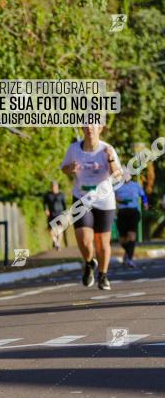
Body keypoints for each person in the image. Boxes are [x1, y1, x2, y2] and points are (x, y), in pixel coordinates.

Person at [60, 124, 122, 290]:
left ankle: (103, 275)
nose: (90, 129)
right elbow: (63, 168)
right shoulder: (74, 148)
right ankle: (89, 263)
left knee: (101, 243)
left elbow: (118, 175)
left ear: (100, 129)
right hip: (81, 198)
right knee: (83, 238)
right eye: (87, 126)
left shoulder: (107, 149)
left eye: (94, 126)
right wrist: (70, 168)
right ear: (82, 128)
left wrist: (110, 159)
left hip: (104, 200)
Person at [114, 167, 148, 268]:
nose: (125, 176)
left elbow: (143, 195)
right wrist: (117, 199)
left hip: (133, 212)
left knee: (132, 235)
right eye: (123, 174)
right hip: (122, 213)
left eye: (127, 174)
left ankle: (129, 259)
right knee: (122, 240)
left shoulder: (136, 185)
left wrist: (145, 203)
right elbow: (111, 197)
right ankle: (127, 254)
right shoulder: (116, 187)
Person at [43, 181, 68, 250]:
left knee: (60, 229)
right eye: (52, 186)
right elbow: (44, 203)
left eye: (54, 186)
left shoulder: (61, 195)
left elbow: (64, 205)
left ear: (57, 187)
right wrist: (46, 210)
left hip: (60, 214)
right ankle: (55, 241)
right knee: (51, 230)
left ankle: (58, 244)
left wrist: (66, 214)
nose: (53, 188)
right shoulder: (48, 195)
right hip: (51, 214)